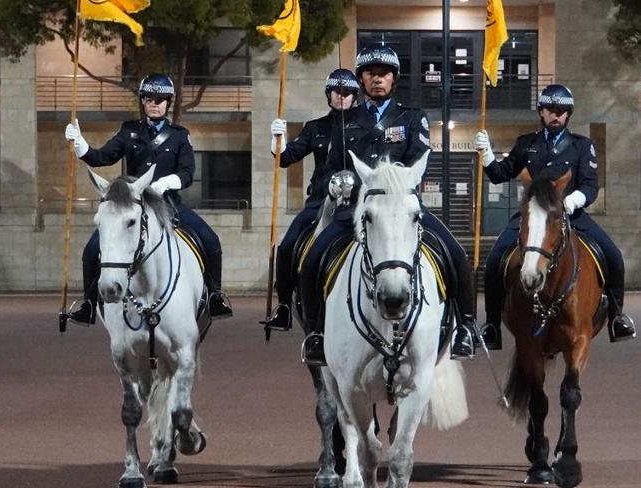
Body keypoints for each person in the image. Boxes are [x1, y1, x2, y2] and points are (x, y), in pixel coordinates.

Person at [299, 45, 475, 365]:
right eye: (370, 74)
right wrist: (339, 183)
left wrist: (392, 181)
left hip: (403, 208)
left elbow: (419, 158)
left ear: (394, 79)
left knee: (456, 254)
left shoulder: (413, 117)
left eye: (384, 74)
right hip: (357, 209)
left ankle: (466, 327)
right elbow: (333, 165)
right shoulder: (343, 121)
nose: (377, 79)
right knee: (312, 259)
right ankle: (315, 333)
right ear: (361, 80)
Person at [474, 83, 636, 349]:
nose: (556, 115)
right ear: (541, 111)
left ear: (569, 114)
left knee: (613, 256)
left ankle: (617, 317)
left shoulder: (582, 146)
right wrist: (488, 156)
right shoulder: (526, 144)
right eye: (550, 109)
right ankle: (492, 326)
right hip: (533, 216)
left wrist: (573, 200)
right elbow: (500, 175)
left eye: (562, 111)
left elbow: (590, 185)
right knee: (494, 261)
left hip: (572, 214)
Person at [64, 73, 232, 324]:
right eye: (149, 98)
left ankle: (215, 296)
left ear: (168, 103)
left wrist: (167, 182)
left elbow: (187, 173)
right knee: (91, 250)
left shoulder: (179, 135)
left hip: (169, 205)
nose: (154, 103)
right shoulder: (129, 131)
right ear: (142, 101)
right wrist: (81, 145)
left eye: (160, 99)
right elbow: (102, 157)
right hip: (133, 205)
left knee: (211, 240)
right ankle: (88, 303)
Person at [261, 69, 361, 331]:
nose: (341, 97)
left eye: (347, 92)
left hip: (356, 203)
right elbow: (286, 159)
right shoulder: (315, 128)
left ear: (355, 96)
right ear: (328, 95)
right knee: (286, 247)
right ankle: (283, 306)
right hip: (319, 203)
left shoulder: (366, 127)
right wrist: (277, 142)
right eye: (336, 92)